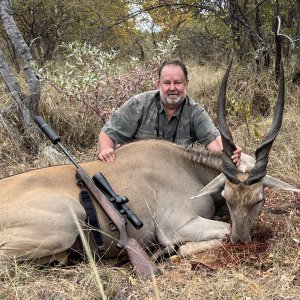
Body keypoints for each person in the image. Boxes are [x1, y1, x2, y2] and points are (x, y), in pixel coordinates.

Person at [98, 59, 241, 163]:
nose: (172, 88)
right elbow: (107, 134)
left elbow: (215, 142)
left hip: (174, 175)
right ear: (158, 84)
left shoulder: (195, 112)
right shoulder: (139, 104)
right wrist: (105, 150)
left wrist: (230, 151)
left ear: (186, 84)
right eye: (167, 83)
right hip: (136, 170)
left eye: (177, 82)